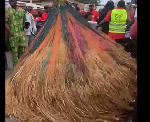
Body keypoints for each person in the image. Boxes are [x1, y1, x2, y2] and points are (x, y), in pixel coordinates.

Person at [5, 0, 27, 67]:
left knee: (23, 51)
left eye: (12, 1)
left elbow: (24, 22)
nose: (11, 2)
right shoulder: (7, 10)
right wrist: (10, 31)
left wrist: (25, 26)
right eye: (9, 1)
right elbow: (5, 22)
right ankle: (16, 69)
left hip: (22, 35)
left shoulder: (22, 11)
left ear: (16, 1)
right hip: (13, 35)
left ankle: (22, 66)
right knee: (14, 53)